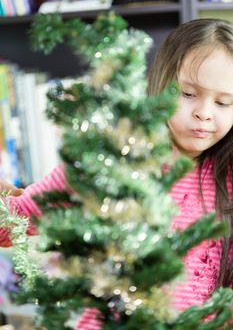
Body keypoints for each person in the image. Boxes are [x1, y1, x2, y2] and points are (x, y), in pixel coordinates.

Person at [1, 17, 233, 328]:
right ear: (161, 82)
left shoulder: (227, 179)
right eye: (188, 94)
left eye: (223, 102)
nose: (203, 112)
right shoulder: (110, 162)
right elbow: (15, 220)